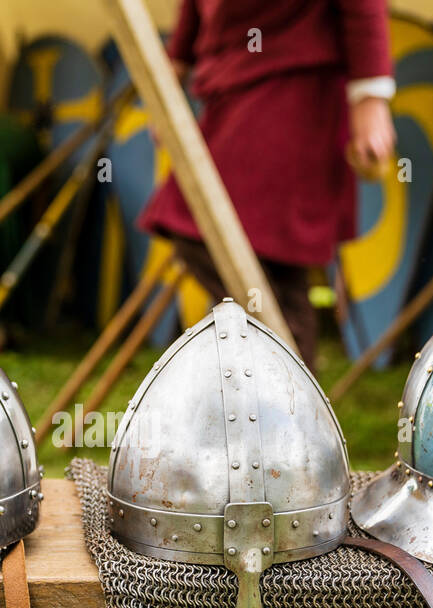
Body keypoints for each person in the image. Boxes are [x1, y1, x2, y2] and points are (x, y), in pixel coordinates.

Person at [139, 0, 397, 371]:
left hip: (294, 90)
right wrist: (169, 76)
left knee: (201, 225)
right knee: (261, 265)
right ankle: (263, 398)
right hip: (229, 91)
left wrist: (370, 101)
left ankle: (284, 397)